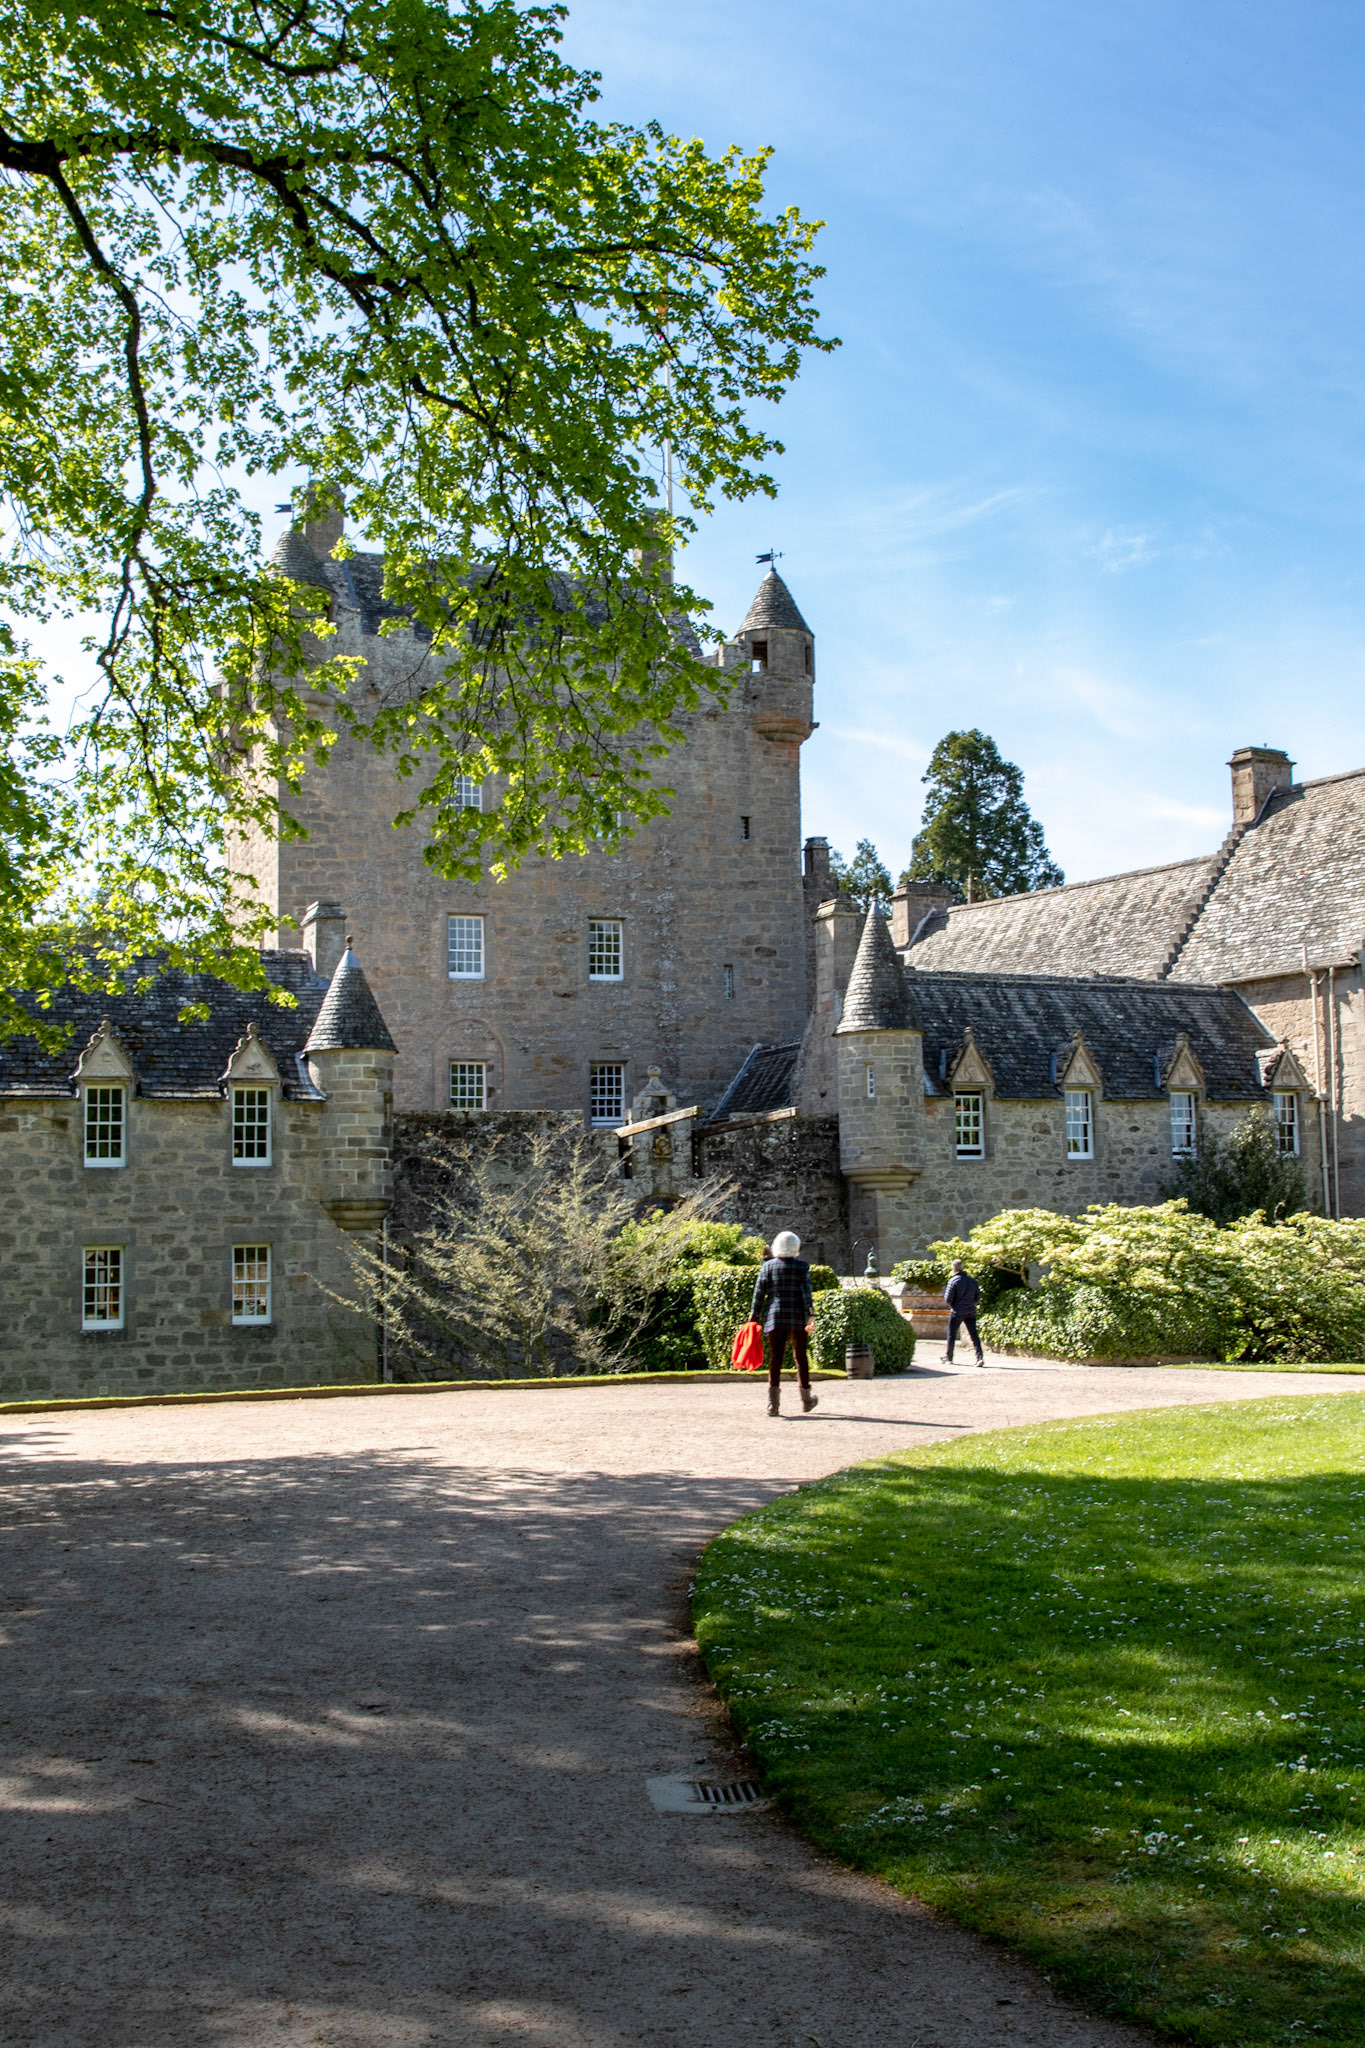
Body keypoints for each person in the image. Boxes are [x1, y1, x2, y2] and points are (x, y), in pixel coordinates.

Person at [749, 1230, 818, 1417]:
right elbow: (806, 1294)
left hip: (775, 1317)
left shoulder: (768, 1267)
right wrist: (811, 1315)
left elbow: (759, 1294)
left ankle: (773, 1404)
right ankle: (806, 1400)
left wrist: (753, 1317)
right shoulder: (802, 1267)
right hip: (797, 1317)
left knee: (775, 1359)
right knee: (801, 1358)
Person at [943, 1257, 985, 1367]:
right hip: (970, 1310)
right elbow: (977, 1296)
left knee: (951, 1334)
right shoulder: (972, 1281)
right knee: (974, 1335)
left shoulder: (953, 1281)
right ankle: (979, 1357)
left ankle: (949, 1357)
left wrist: (955, 1305)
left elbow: (948, 1299)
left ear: (953, 1269)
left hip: (957, 1311)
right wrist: (970, 1304)